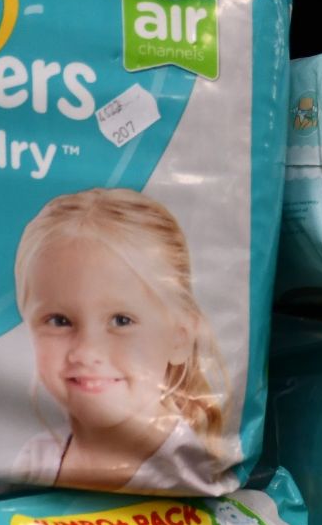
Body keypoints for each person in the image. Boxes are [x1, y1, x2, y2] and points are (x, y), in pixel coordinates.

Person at [13, 188, 233, 493]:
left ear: (180, 338)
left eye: (121, 321)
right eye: (60, 321)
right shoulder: (37, 457)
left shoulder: (192, 468)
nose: (87, 352)